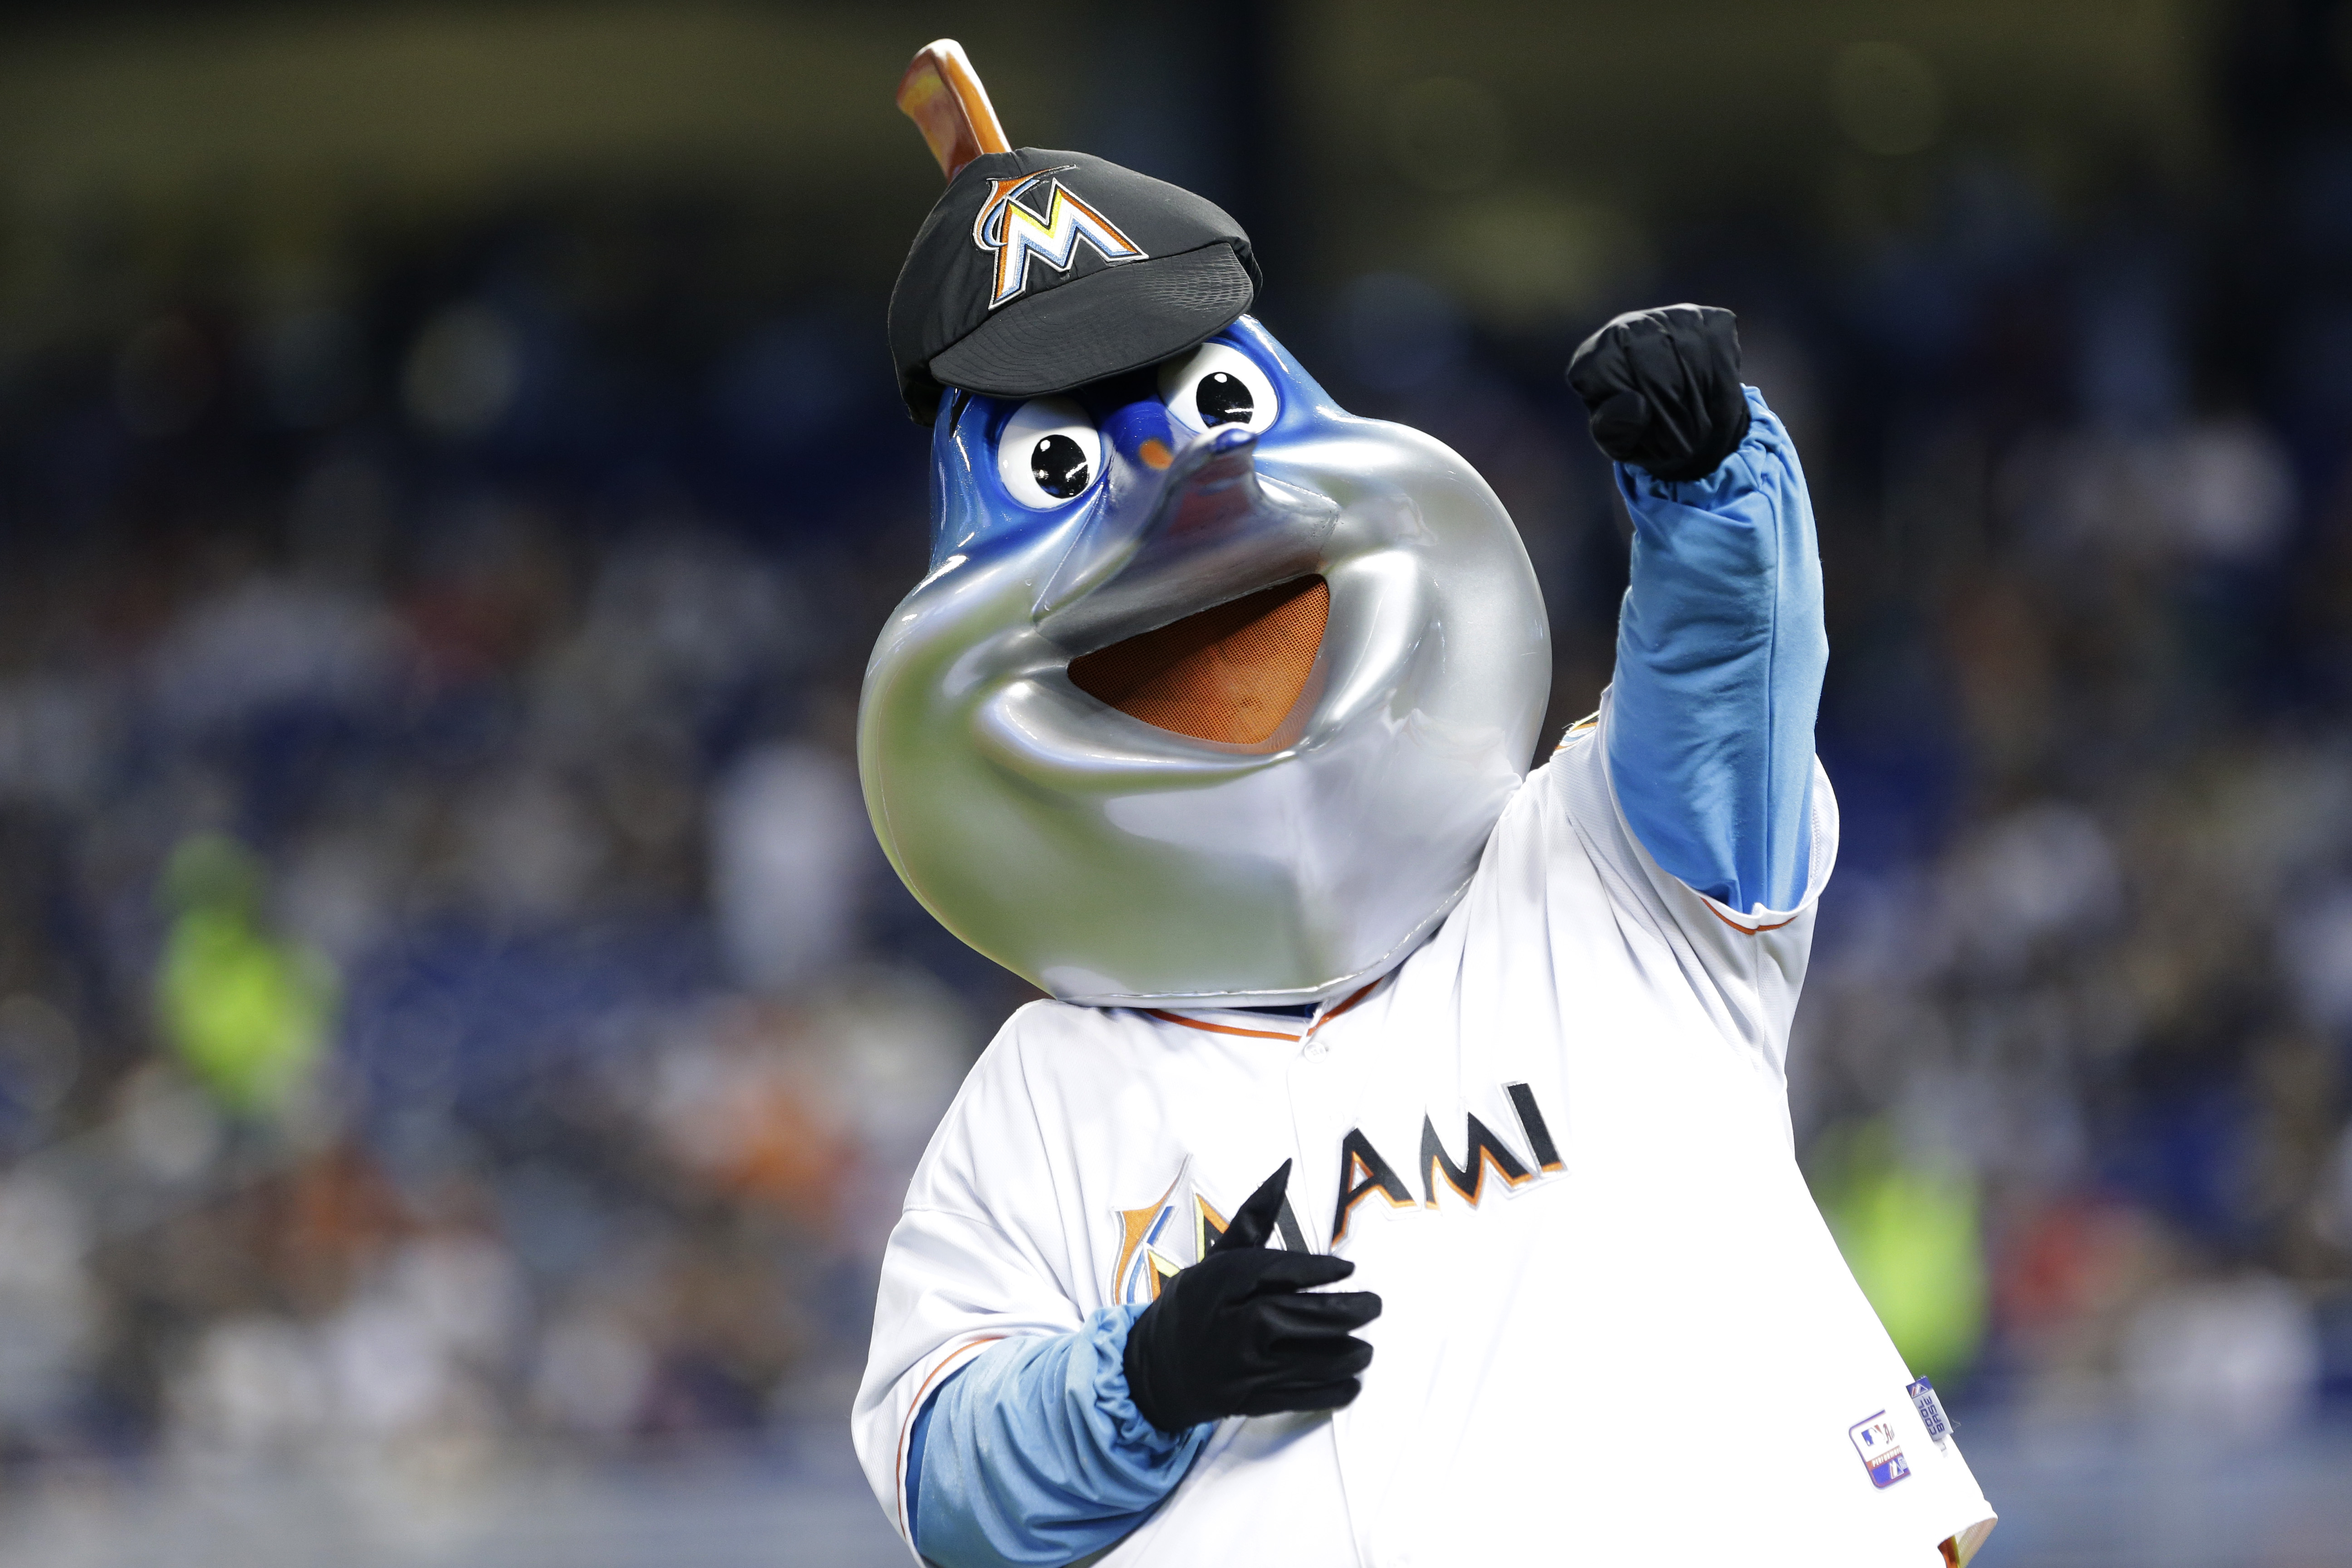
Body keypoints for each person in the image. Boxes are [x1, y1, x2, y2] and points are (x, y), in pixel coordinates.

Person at [852, 42, 1996, 1568]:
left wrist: (1718, 489)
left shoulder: (1601, 867)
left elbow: (1727, 695)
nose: (1159, 479)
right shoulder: (1048, 1091)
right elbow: (950, 1482)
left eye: (1203, 402)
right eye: (1061, 458)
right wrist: (1140, 1379)